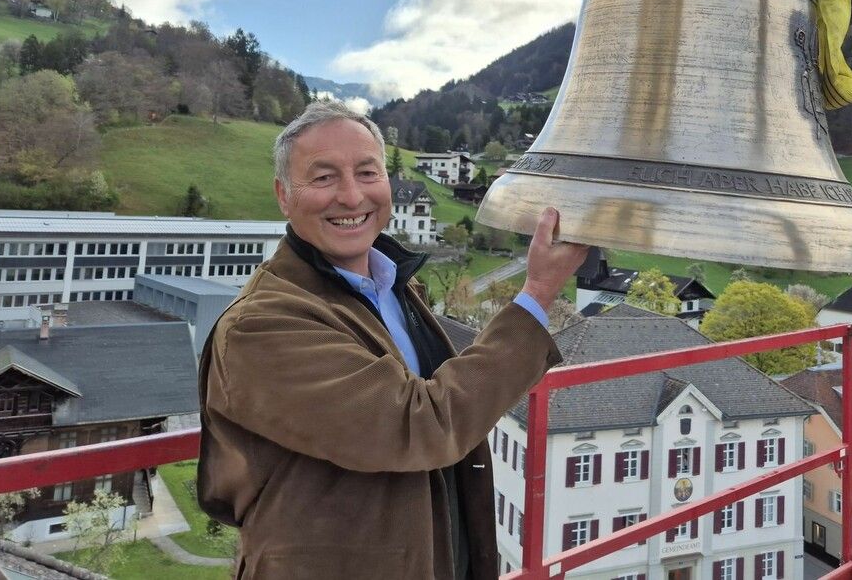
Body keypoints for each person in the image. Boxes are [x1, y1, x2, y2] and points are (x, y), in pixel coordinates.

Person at [197, 100, 588, 580]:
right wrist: (538, 294)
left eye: (367, 172)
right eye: (323, 178)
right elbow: (422, 423)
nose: (351, 195)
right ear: (283, 195)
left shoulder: (392, 287)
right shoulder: (261, 327)